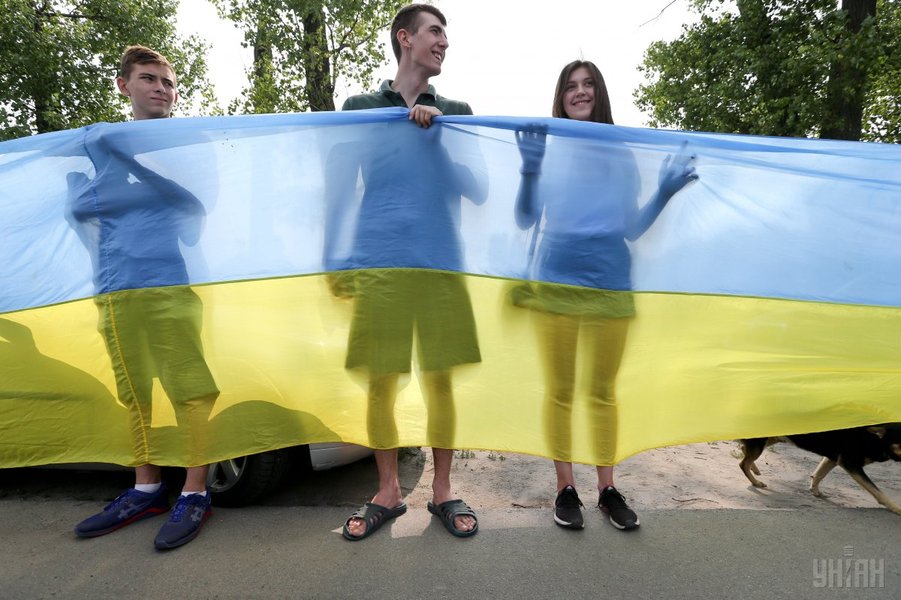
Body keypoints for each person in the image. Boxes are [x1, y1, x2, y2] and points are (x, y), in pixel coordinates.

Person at [324, 3, 486, 540]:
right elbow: (338, 188)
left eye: (446, 34)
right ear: (405, 38)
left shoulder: (457, 111)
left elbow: (479, 189)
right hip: (380, 268)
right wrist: (332, 256)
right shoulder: (360, 108)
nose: (444, 42)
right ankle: (388, 491)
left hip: (441, 268)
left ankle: (442, 490)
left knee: (441, 383)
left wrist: (438, 139)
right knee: (381, 383)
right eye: (435, 31)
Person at [514, 60, 697, 531]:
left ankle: (607, 489)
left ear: (599, 93)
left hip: (611, 281)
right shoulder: (549, 148)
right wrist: (530, 169)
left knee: (602, 392)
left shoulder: (620, 152)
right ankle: (565, 488)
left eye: (588, 83)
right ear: (561, 96)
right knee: (560, 391)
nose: (579, 91)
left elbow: (631, 227)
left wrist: (664, 191)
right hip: (555, 282)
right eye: (571, 86)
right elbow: (524, 218)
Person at [70, 46, 219, 550]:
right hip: (114, 290)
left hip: (169, 284)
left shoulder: (184, 149)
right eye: (149, 79)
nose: (161, 88)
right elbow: (78, 211)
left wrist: (131, 162)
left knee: (189, 390)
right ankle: (146, 489)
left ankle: (194, 493)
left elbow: (195, 218)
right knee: (134, 392)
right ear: (124, 85)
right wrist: (112, 158)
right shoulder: (97, 147)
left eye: (168, 82)